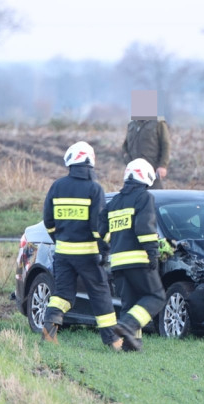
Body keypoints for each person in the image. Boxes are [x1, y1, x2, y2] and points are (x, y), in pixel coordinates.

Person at [41, 142, 123, 351]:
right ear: (90, 163)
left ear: (70, 162)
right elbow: (98, 226)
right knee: (100, 294)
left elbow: (48, 221)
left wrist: (58, 240)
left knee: (63, 295)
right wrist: (104, 250)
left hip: (63, 253)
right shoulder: (94, 189)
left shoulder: (57, 186)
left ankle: (49, 329)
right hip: (87, 254)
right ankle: (113, 340)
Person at [105, 158, 167, 351]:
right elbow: (145, 227)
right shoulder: (144, 197)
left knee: (130, 303)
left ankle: (130, 345)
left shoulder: (114, 202)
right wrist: (152, 253)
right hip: (138, 259)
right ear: (146, 177)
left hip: (117, 262)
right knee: (156, 297)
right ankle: (128, 326)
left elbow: (103, 232)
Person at [122, 90, 171, 189]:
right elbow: (125, 146)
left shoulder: (158, 123)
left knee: (156, 198)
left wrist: (163, 166)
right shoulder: (132, 125)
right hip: (134, 174)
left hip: (152, 171)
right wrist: (127, 159)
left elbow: (166, 145)